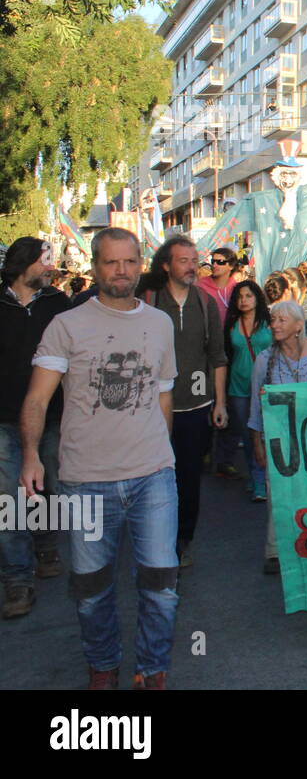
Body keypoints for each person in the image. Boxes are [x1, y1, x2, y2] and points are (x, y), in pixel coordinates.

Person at [20, 228, 179, 689]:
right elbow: (36, 399)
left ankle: (152, 668)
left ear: (139, 263)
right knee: (90, 591)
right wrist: (31, 454)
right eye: (111, 263)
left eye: (129, 262)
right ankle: (103, 665)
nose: (122, 271)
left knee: (162, 586)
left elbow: (163, 395)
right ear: (95, 266)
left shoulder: (160, 323)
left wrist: (164, 455)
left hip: (153, 477)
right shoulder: (67, 326)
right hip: (86, 480)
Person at [140, 236, 227, 569]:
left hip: (195, 408)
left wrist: (219, 403)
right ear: (166, 265)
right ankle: (155, 539)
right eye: (184, 260)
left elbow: (217, 357)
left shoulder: (205, 305)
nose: (193, 266)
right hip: (149, 409)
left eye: (195, 260)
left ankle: (182, 540)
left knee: (189, 479)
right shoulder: (146, 301)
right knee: (153, 477)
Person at [1, 237, 70, 619]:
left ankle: (45, 545)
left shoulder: (58, 304)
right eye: (45, 260)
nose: (51, 267)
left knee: (48, 488)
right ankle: (16, 580)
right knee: (7, 499)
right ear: (24, 264)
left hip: (53, 418)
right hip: (4, 421)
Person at [247, 299, 307, 576]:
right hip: (279, 438)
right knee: (278, 495)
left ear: (299, 325)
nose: (274, 325)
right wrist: (257, 442)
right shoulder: (265, 359)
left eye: (281, 320)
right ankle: (275, 551)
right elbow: (256, 405)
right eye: (272, 320)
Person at [220, 280, 272, 498]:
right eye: (240, 296)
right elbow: (225, 356)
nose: (243, 300)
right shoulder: (232, 323)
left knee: (263, 433)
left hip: (265, 385)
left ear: (257, 298)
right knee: (248, 433)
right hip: (238, 386)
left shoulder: (269, 321)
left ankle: (260, 479)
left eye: (248, 296)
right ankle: (255, 475)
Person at [197, 247, 238, 319]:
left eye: (220, 262)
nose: (214, 265)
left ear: (231, 266)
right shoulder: (200, 286)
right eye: (213, 261)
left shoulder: (237, 288)